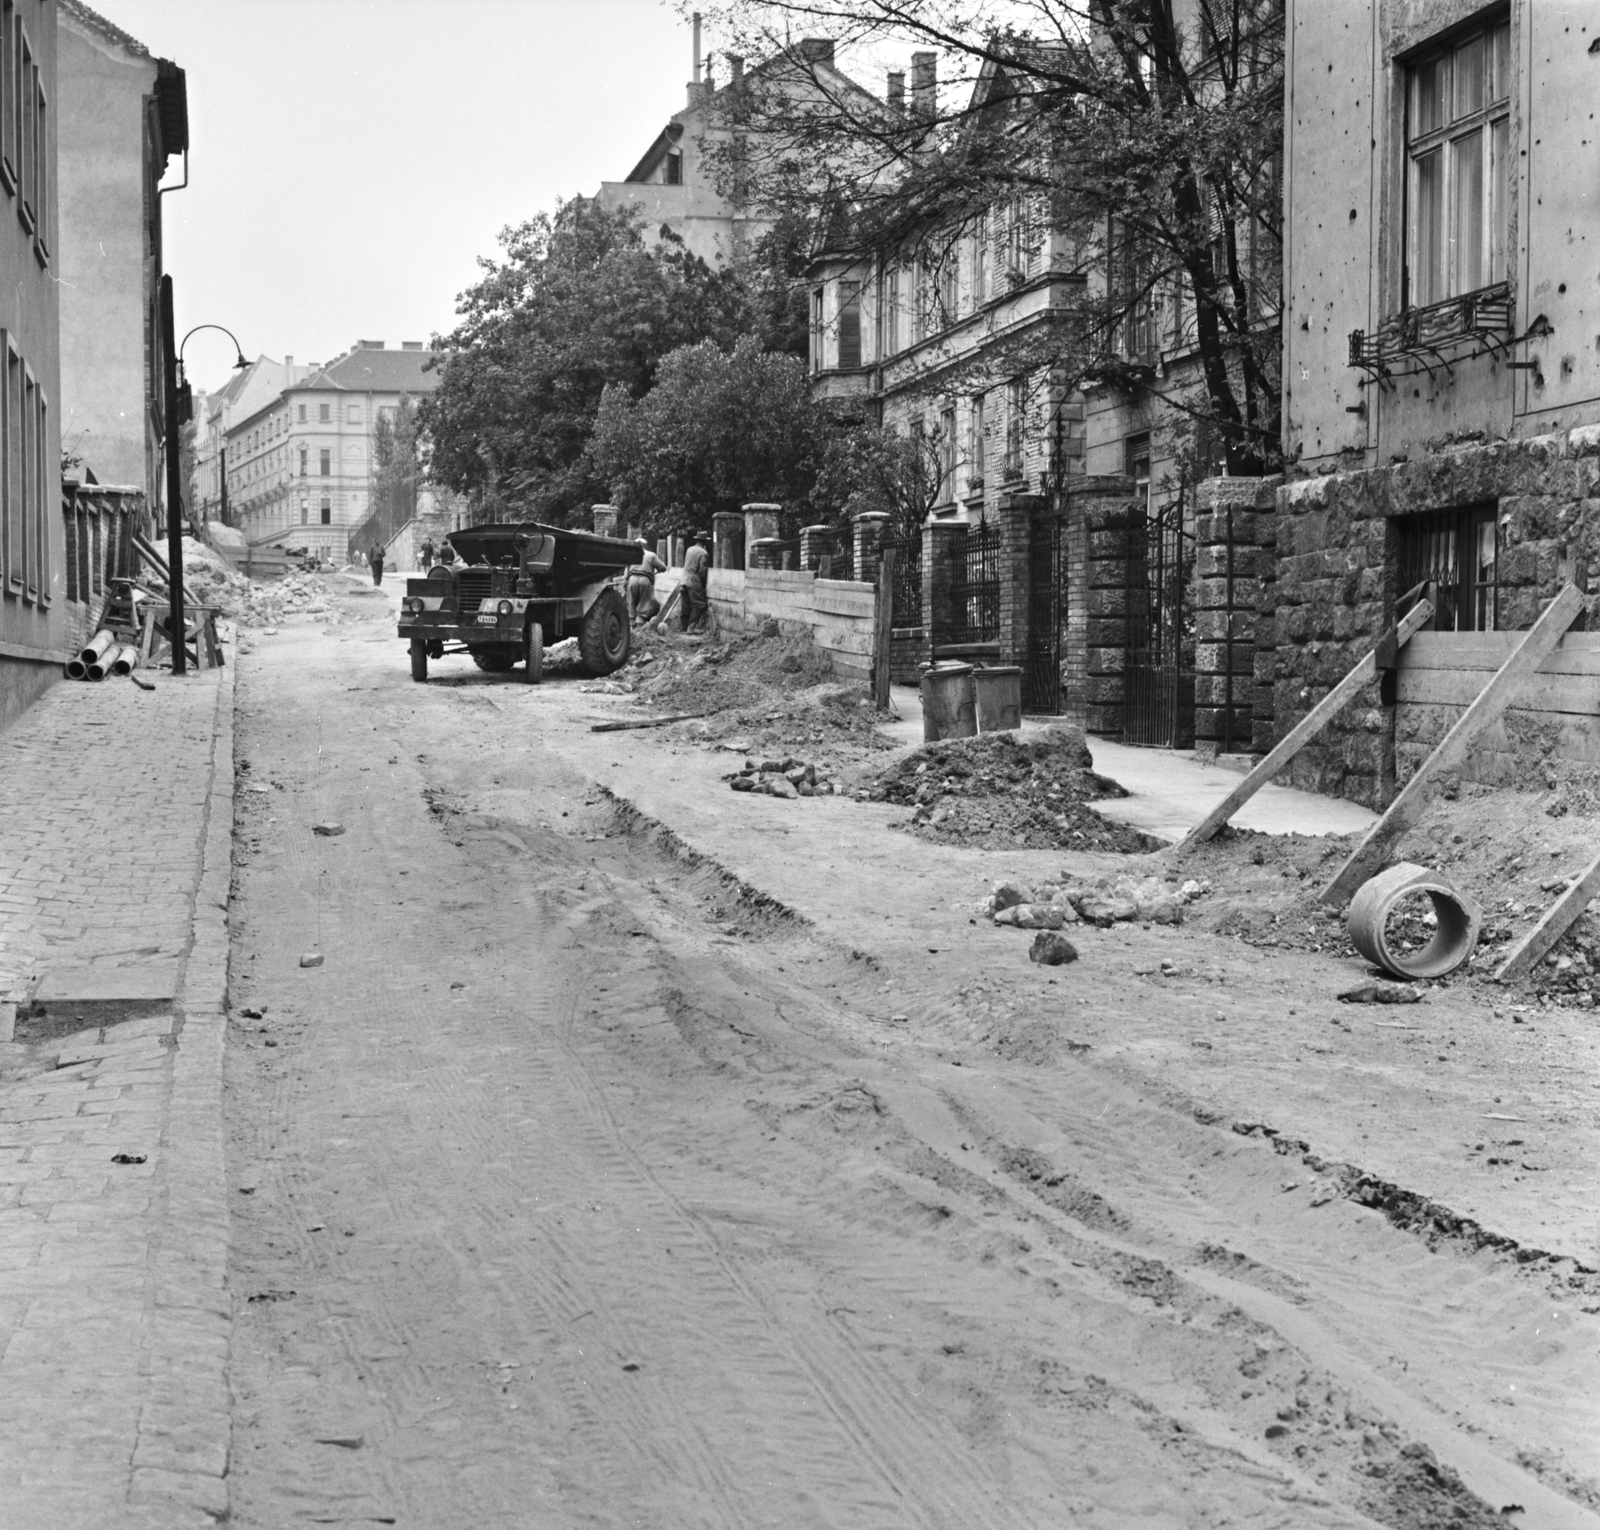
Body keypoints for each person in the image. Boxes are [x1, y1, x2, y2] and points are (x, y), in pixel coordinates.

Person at [627, 538, 667, 624]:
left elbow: (626, 573)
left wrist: (625, 584)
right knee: (643, 604)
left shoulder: (630, 555)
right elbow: (663, 567)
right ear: (645, 546)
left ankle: (631, 628)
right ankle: (640, 628)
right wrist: (659, 569)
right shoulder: (651, 555)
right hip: (645, 580)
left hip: (632, 579)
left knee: (631, 604)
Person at [679, 530, 710, 633]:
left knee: (686, 605)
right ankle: (691, 627)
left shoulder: (689, 549)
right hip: (694, 581)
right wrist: (703, 584)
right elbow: (702, 571)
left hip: (684, 580)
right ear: (705, 542)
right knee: (699, 604)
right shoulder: (703, 553)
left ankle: (684, 627)